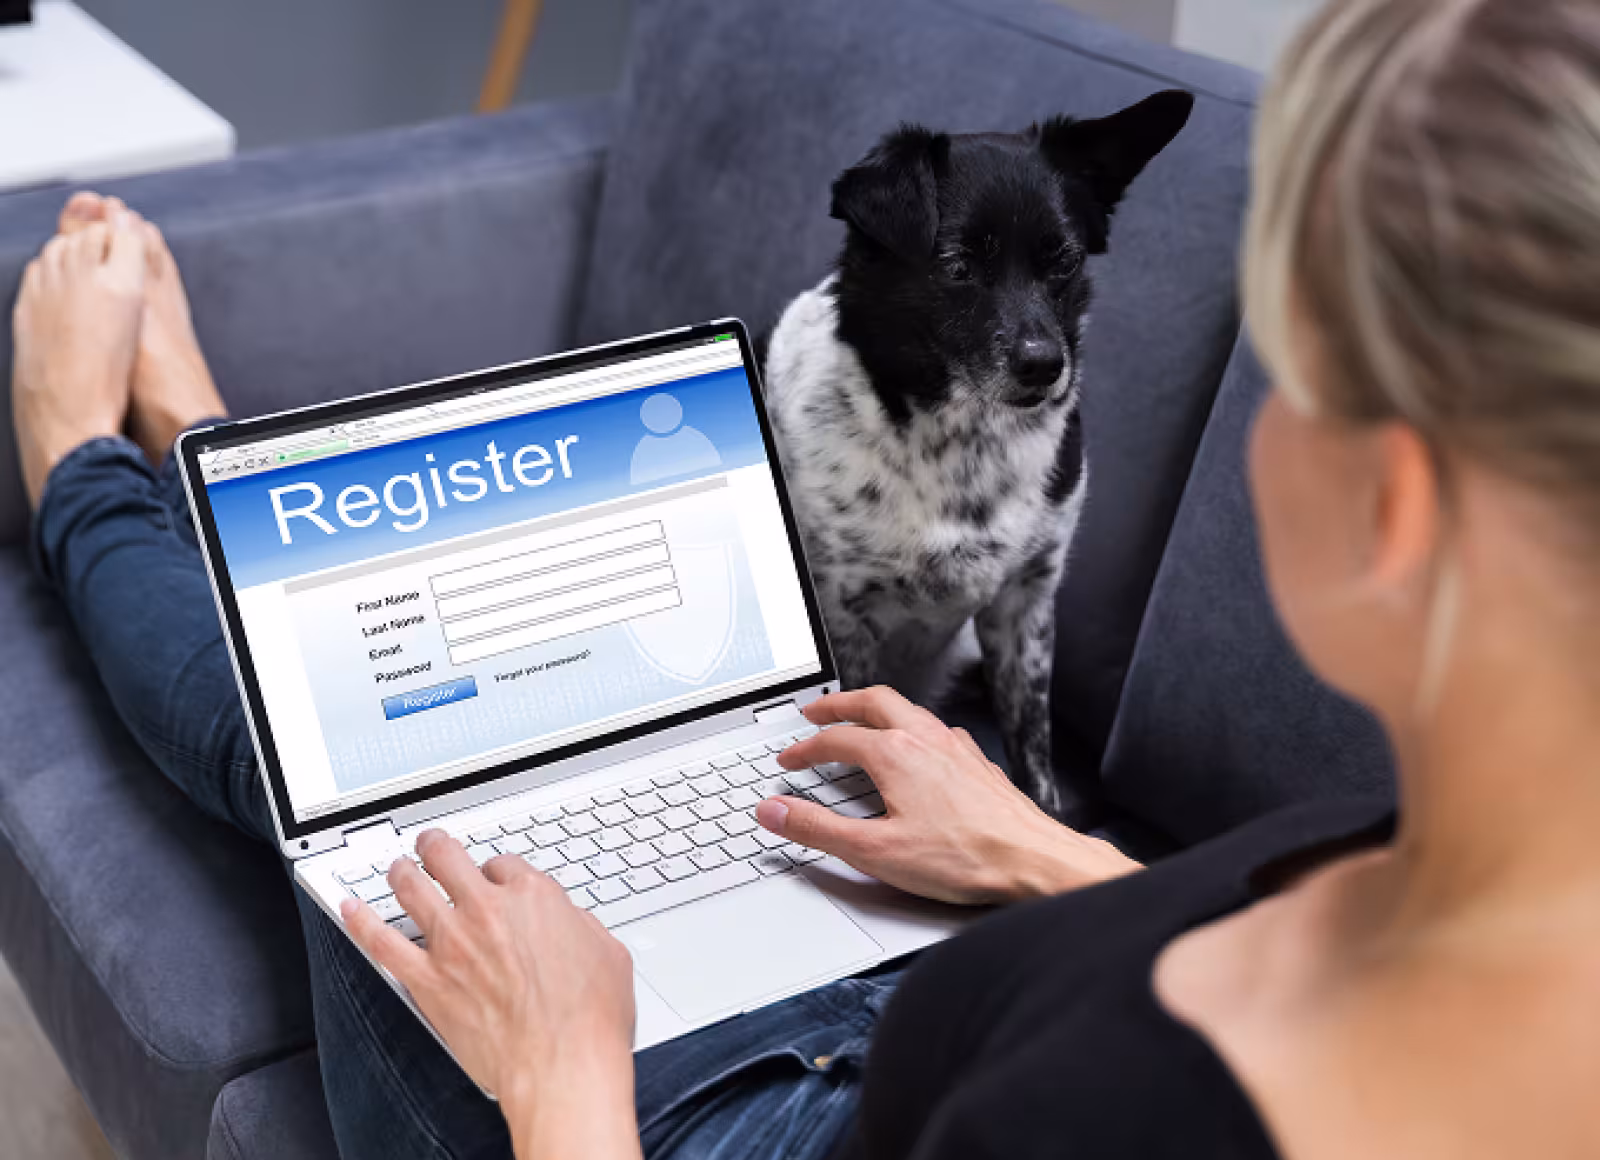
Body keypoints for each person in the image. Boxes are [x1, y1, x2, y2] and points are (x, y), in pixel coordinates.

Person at [12, 0, 1600, 1153]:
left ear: (1390, 502)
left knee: (322, 773)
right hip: (889, 937)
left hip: (679, 1106)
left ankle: (102, 451)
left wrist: (562, 1074)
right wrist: (1048, 859)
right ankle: (200, 457)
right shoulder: (1437, 848)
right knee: (451, 722)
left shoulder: (1108, 1110)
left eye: (1287, 379)